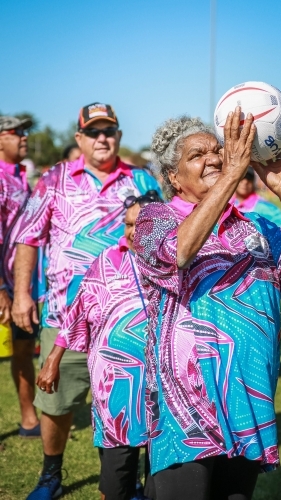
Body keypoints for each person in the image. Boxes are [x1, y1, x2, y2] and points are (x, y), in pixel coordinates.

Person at [133, 109, 281, 500]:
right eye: (197, 155)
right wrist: (234, 174)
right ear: (173, 178)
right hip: (185, 408)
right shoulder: (157, 218)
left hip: (248, 399)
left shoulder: (255, 226)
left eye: (217, 151)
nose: (214, 159)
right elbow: (180, 252)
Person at [11, 102, 162, 500]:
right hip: (63, 315)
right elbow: (27, 236)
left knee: (133, 404)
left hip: (131, 320)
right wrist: (23, 292)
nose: (101, 138)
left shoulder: (142, 181)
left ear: (119, 136)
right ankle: (51, 475)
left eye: (108, 131)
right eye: (93, 132)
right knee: (57, 402)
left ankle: (127, 479)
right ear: (79, 138)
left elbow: (167, 236)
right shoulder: (55, 179)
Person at [35, 190, 161, 500]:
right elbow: (76, 312)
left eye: (140, 224)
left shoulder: (172, 264)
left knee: (159, 469)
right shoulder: (107, 261)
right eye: (127, 224)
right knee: (116, 470)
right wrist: (53, 358)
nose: (132, 232)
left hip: (162, 381)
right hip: (115, 385)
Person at [0, 115, 41, 437]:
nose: (24, 137)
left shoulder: (21, 177)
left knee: (23, 350)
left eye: (26, 131)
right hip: (4, 284)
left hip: (21, 284)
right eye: (17, 132)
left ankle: (28, 418)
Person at [232, 166, 281, 232]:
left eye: (249, 178)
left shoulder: (267, 208)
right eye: (242, 178)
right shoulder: (227, 205)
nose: (245, 182)